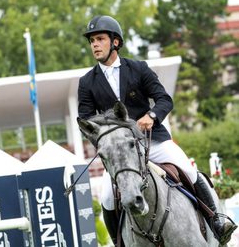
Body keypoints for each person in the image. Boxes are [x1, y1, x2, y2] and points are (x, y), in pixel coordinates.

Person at [78, 15, 237, 246]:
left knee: (189, 171)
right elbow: (86, 121)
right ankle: (118, 241)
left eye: (100, 39)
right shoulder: (87, 82)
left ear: (115, 42)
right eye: (92, 40)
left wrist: (151, 116)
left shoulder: (138, 69)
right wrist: (106, 143)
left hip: (153, 141)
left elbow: (164, 99)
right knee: (107, 197)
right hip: (121, 151)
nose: (94, 44)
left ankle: (217, 221)